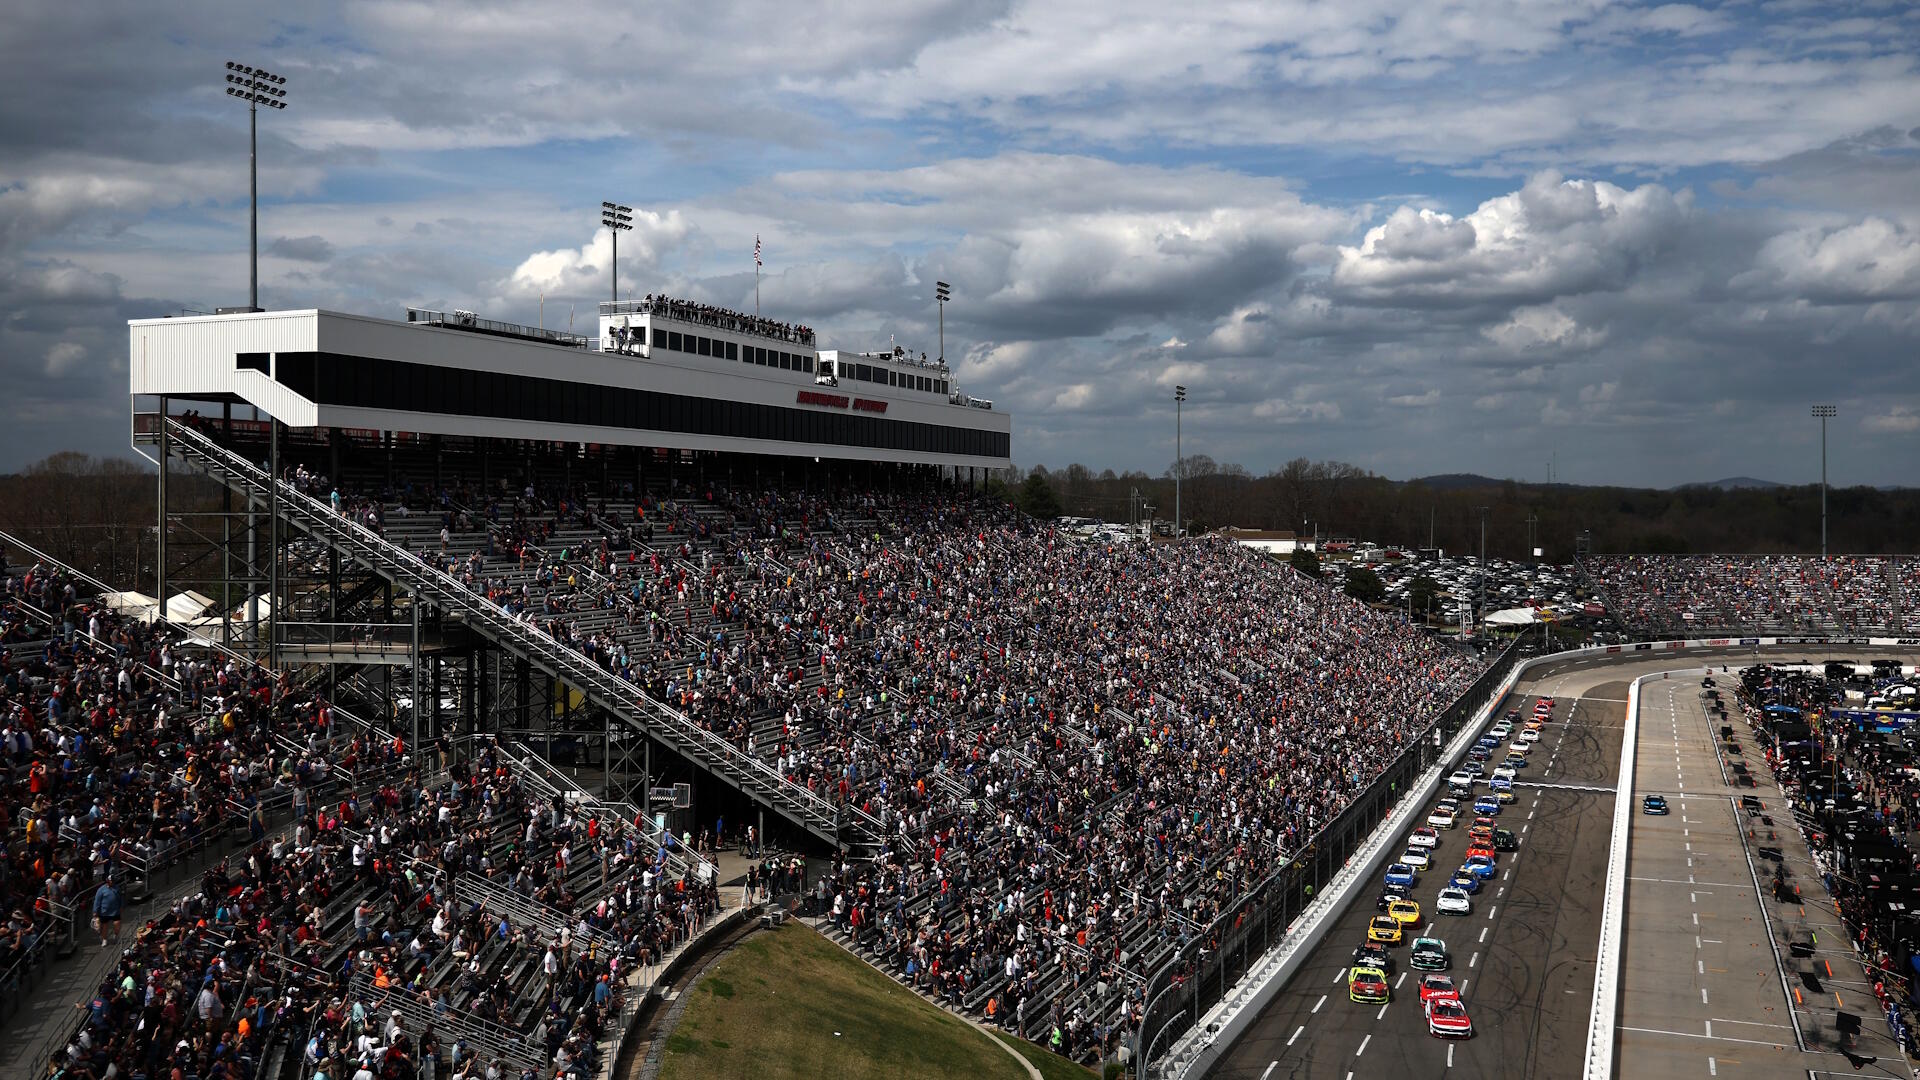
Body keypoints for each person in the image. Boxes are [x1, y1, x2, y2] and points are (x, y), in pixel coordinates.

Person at [92, 876, 121, 947]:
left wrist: (121, 906)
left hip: (115, 910)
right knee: (104, 926)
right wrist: (95, 911)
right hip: (104, 912)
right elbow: (97, 901)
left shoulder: (117, 888)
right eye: (112, 881)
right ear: (108, 881)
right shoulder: (101, 890)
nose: (114, 882)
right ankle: (104, 940)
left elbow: (119, 898)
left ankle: (116, 935)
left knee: (117, 924)